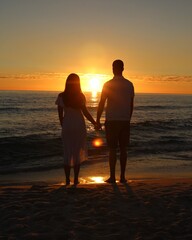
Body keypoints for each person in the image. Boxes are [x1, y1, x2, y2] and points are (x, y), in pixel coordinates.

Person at [96, 60, 134, 183]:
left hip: (112, 120)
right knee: (123, 149)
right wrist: (128, 118)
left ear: (113, 68)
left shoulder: (108, 84)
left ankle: (112, 177)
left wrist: (97, 120)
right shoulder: (129, 84)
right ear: (123, 68)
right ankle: (122, 177)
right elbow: (131, 104)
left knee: (112, 149)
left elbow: (102, 103)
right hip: (124, 120)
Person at [56, 73, 97, 185]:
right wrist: (94, 122)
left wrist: (63, 125)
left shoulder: (61, 96)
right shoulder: (80, 96)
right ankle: (76, 179)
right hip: (79, 125)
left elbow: (60, 114)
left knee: (67, 152)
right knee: (77, 152)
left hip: (67, 125)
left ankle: (67, 179)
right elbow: (85, 112)